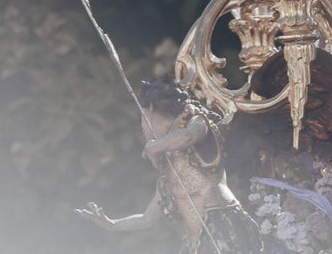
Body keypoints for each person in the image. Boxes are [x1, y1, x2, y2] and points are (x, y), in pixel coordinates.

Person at [76, 78, 264, 254]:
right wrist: (112, 224)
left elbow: (188, 136)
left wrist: (154, 146)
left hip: (224, 228)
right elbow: (147, 218)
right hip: (195, 243)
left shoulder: (197, 121)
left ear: (150, 109)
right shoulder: (167, 168)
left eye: (142, 118)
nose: (142, 128)